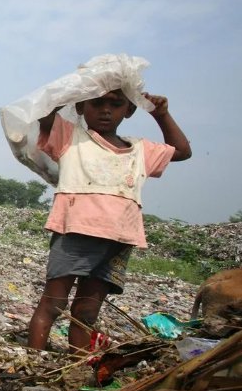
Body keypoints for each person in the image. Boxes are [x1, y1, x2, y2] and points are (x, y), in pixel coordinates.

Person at [27, 88, 191, 353]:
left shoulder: (139, 150)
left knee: (87, 312)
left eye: (115, 104)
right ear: (81, 107)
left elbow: (182, 151)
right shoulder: (71, 138)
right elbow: (44, 115)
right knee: (53, 304)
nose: (105, 110)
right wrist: (74, 90)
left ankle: (76, 367)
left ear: (129, 110)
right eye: (97, 103)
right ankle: (32, 361)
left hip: (118, 240)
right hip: (75, 234)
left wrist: (162, 115)